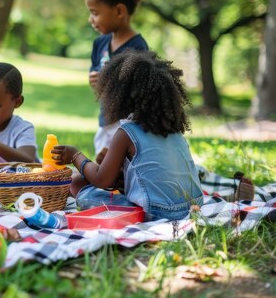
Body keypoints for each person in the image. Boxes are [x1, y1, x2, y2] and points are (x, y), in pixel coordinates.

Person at [51, 50, 204, 221]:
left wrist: (75, 155)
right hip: (193, 207)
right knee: (92, 179)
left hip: (158, 213)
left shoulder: (127, 132)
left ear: (119, 96)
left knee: (77, 182)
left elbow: (102, 180)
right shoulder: (174, 131)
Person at [83, 0, 149, 159]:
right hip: (105, 124)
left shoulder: (138, 50)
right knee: (105, 178)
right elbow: (97, 82)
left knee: (121, 177)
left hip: (129, 130)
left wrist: (110, 83)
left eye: (95, 13)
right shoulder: (100, 44)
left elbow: (142, 97)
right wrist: (95, 82)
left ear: (120, 11)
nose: (90, 19)